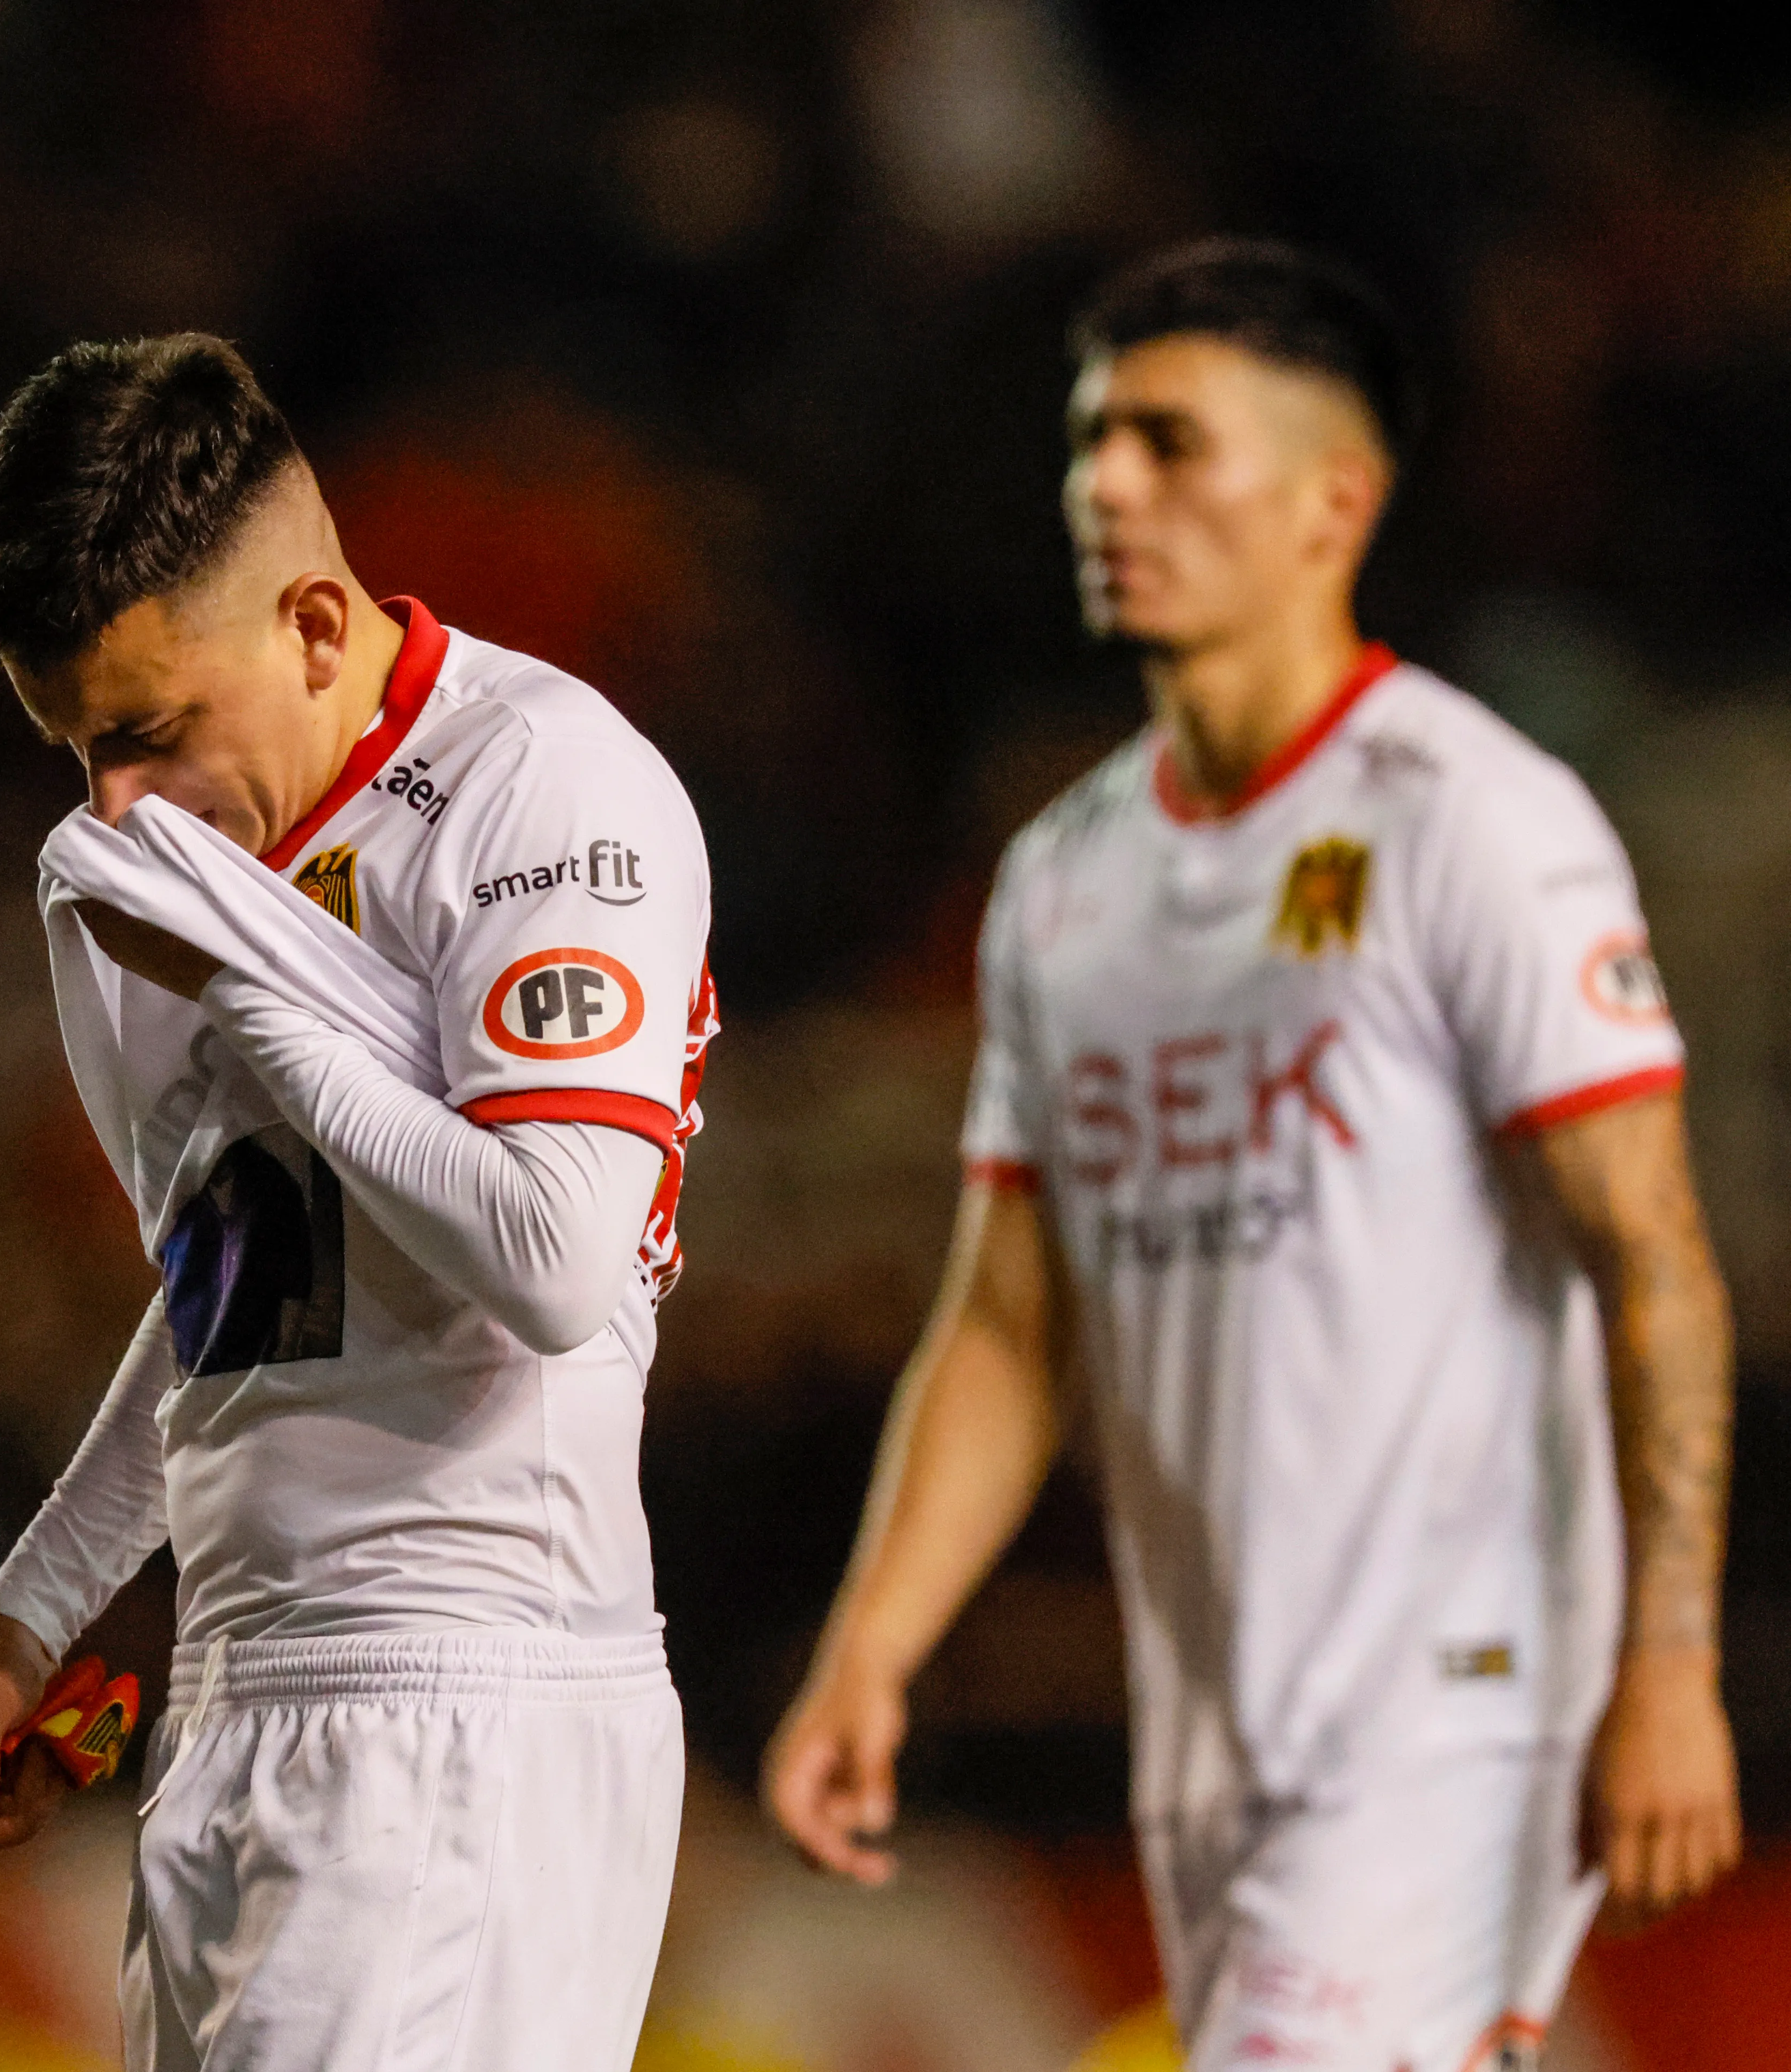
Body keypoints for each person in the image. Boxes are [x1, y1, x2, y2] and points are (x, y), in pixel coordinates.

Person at [764, 239, 1740, 2071]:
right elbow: (1006, 1324)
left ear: (1329, 504)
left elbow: (1651, 1250)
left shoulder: (1478, 822)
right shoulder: (1064, 877)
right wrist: (873, 1639)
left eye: (1164, 441)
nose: (1102, 486)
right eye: (1088, 443)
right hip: (1215, 1724)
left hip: (1455, 1705)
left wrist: (1670, 1661)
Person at [0, 334, 719, 2072]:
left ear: (316, 629)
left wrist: (253, 982)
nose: (120, 808)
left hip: (460, 1698)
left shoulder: (542, 787)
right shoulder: (205, 856)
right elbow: (247, 1266)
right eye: (75, 757)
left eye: (148, 736)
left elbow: (553, 1256)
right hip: (241, 1689)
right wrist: (44, 1597)